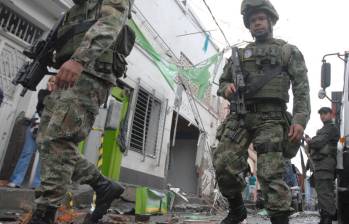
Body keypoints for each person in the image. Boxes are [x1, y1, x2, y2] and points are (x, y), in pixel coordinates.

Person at [29, 0, 134, 224]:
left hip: (90, 73)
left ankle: (44, 213)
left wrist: (78, 60)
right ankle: (104, 186)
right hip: (69, 76)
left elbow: (110, 23)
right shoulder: (73, 11)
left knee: (59, 139)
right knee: (48, 142)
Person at [213, 0, 310, 223]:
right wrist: (226, 89)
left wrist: (300, 120)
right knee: (222, 163)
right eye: (252, 20)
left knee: (270, 174)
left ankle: (279, 220)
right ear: (248, 25)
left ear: (270, 21)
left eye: (260, 19)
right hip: (240, 115)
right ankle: (237, 209)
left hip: (272, 117)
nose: (257, 24)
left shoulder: (288, 51)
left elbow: (302, 89)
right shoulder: (239, 55)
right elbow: (222, 82)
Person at [7, 77, 56, 189]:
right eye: (51, 81)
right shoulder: (42, 92)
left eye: (54, 82)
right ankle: (16, 180)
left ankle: (37, 184)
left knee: (43, 157)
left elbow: (53, 106)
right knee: (27, 153)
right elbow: (42, 104)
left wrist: (54, 93)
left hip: (49, 129)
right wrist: (49, 92)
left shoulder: (60, 96)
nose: (52, 83)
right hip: (35, 126)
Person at [305, 107, 339, 224]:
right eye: (321, 114)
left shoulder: (331, 128)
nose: (322, 116)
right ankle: (325, 216)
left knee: (325, 192)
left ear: (331, 114)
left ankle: (327, 218)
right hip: (321, 165)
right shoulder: (324, 129)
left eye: (325, 113)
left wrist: (310, 141)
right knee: (322, 191)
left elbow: (319, 142)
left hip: (326, 164)